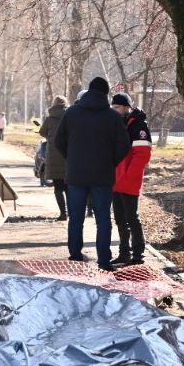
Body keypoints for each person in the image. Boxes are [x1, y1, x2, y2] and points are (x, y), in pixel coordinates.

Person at [53, 77, 129, 270]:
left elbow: (58, 141)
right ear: (105, 95)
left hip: (76, 174)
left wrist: (72, 158)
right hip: (102, 176)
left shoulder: (72, 113)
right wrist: (110, 162)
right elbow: (124, 146)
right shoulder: (112, 117)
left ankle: (76, 256)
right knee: (103, 218)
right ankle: (104, 260)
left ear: (88, 91)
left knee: (76, 217)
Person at [110, 92, 152, 266]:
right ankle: (124, 254)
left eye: (117, 107)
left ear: (127, 107)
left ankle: (138, 256)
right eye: (112, 108)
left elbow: (142, 155)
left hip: (129, 181)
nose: (114, 110)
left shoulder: (138, 126)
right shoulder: (116, 125)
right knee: (120, 219)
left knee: (132, 219)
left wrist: (127, 177)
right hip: (115, 180)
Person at [38, 95, 69, 220]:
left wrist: (50, 137)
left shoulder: (50, 119)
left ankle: (63, 213)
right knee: (69, 188)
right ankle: (72, 212)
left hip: (54, 153)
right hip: (67, 154)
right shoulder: (69, 116)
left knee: (58, 187)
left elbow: (42, 132)